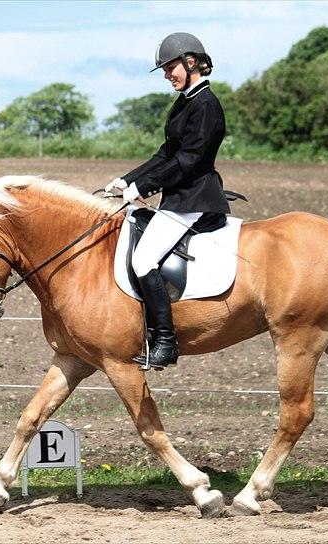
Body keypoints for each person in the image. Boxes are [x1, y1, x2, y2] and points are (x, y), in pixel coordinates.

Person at [105, 32, 231, 369]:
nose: (166, 75)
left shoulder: (206, 105)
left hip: (194, 199)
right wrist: (129, 179)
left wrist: (144, 188)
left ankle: (165, 341)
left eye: (169, 67)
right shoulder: (187, 100)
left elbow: (189, 160)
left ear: (191, 62)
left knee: (144, 258)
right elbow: (167, 153)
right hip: (180, 196)